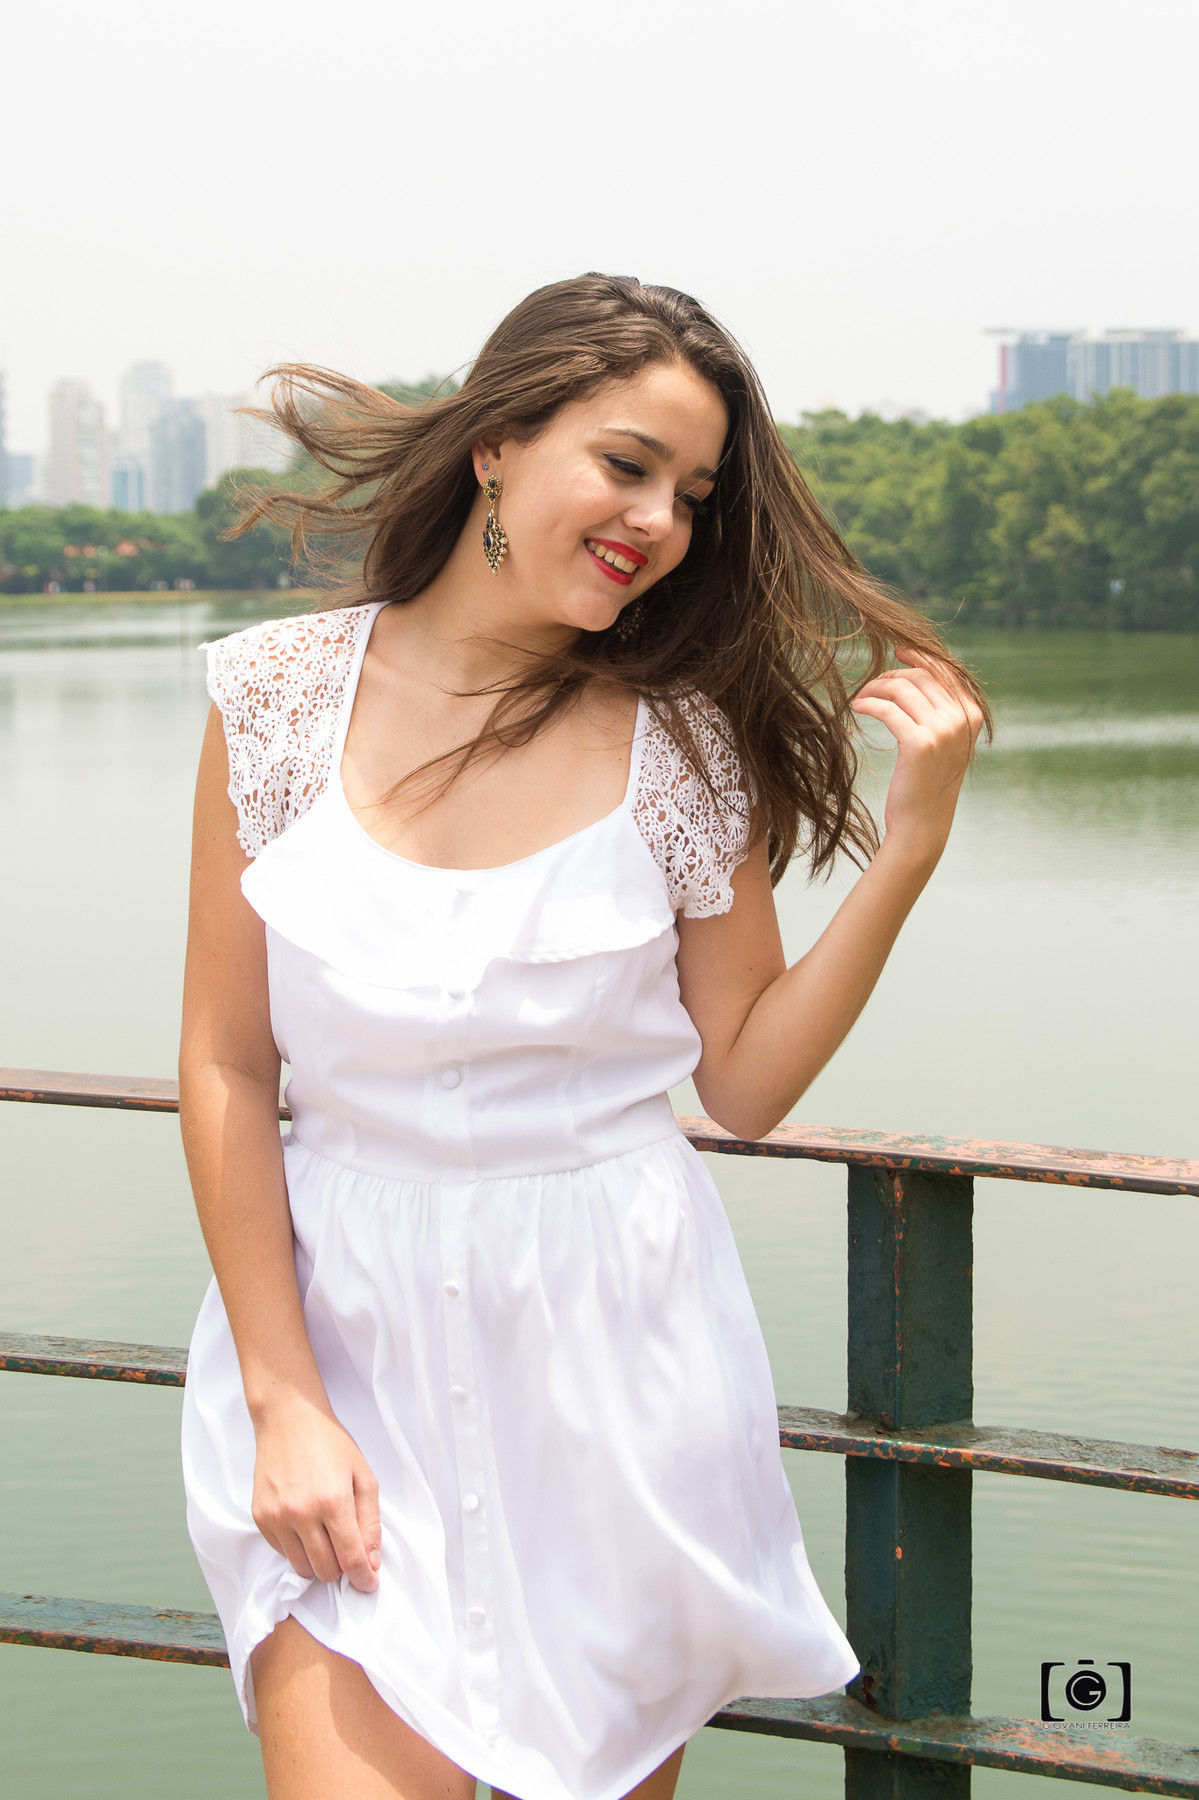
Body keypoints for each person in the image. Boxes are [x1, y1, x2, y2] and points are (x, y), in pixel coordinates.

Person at [179, 273, 988, 1800]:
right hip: (338, 1355)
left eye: (694, 495)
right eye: (628, 464)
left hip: (618, 1369)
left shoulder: (684, 741)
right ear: (498, 442)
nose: (660, 521)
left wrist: (908, 853)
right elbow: (226, 1061)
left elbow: (746, 1083)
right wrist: (282, 1399)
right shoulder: (276, 697)